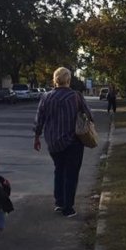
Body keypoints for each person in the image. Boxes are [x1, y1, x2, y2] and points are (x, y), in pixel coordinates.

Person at [33, 67, 92, 218]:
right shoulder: (75, 96)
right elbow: (88, 115)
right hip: (72, 141)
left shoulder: (46, 97)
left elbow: (39, 119)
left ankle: (59, 202)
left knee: (59, 170)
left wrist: (37, 137)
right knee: (71, 174)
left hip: (53, 142)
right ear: (68, 80)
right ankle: (68, 208)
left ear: (55, 80)